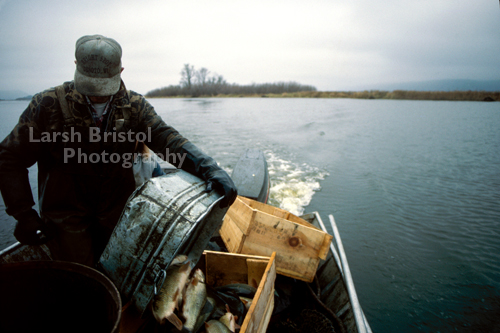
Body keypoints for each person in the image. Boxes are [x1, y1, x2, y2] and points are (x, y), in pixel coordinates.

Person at [0, 35, 237, 266]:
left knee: (118, 274)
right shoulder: (47, 104)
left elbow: (168, 140)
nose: (97, 92)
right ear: (76, 66)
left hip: (117, 215)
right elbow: (10, 157)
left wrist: (207, 166)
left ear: (121, 71)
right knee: (81, 280)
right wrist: (23, 213)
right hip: (65, 218)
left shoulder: (135, 107)